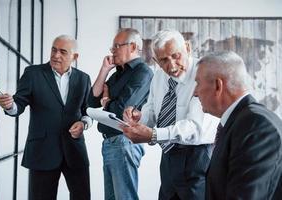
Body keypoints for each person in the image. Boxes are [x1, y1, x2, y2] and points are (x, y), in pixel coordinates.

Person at [122, 30, 219, 200]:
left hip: (197, 157)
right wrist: (138, 119)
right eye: (164, 60)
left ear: (187, 48)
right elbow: (151, 110)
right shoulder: (158, 76)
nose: (172, 66)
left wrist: (153, 135)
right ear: (155, 61)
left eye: (176, 56)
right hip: (168, 156)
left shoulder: (203, 74)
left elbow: (194, 127)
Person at [0, 35, 91, 200]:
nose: (56, 55)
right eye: (54, 50)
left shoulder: (84, 79)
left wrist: (84, 124)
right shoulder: (33, 73)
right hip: (42, 151)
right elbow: (19, 104)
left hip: (75, 151)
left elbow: (87, 111)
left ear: (74, 57)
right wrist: (10, 105)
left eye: (62, 52)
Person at [193, 51, 282, 200]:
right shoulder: (242, 120)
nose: (195, 93)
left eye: (198, 83)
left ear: (218, 85)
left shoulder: (257, 125)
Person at [88, 28, 153, 200]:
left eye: (117, 46)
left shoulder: (143, 72)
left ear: (132, 47)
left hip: (125, 142)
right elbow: (92, 101)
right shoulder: (117, 75)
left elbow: (121, 110)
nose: (112, 50)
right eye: (112, 47)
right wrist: (104, 70)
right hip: (110, 142)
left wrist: (107, 100)